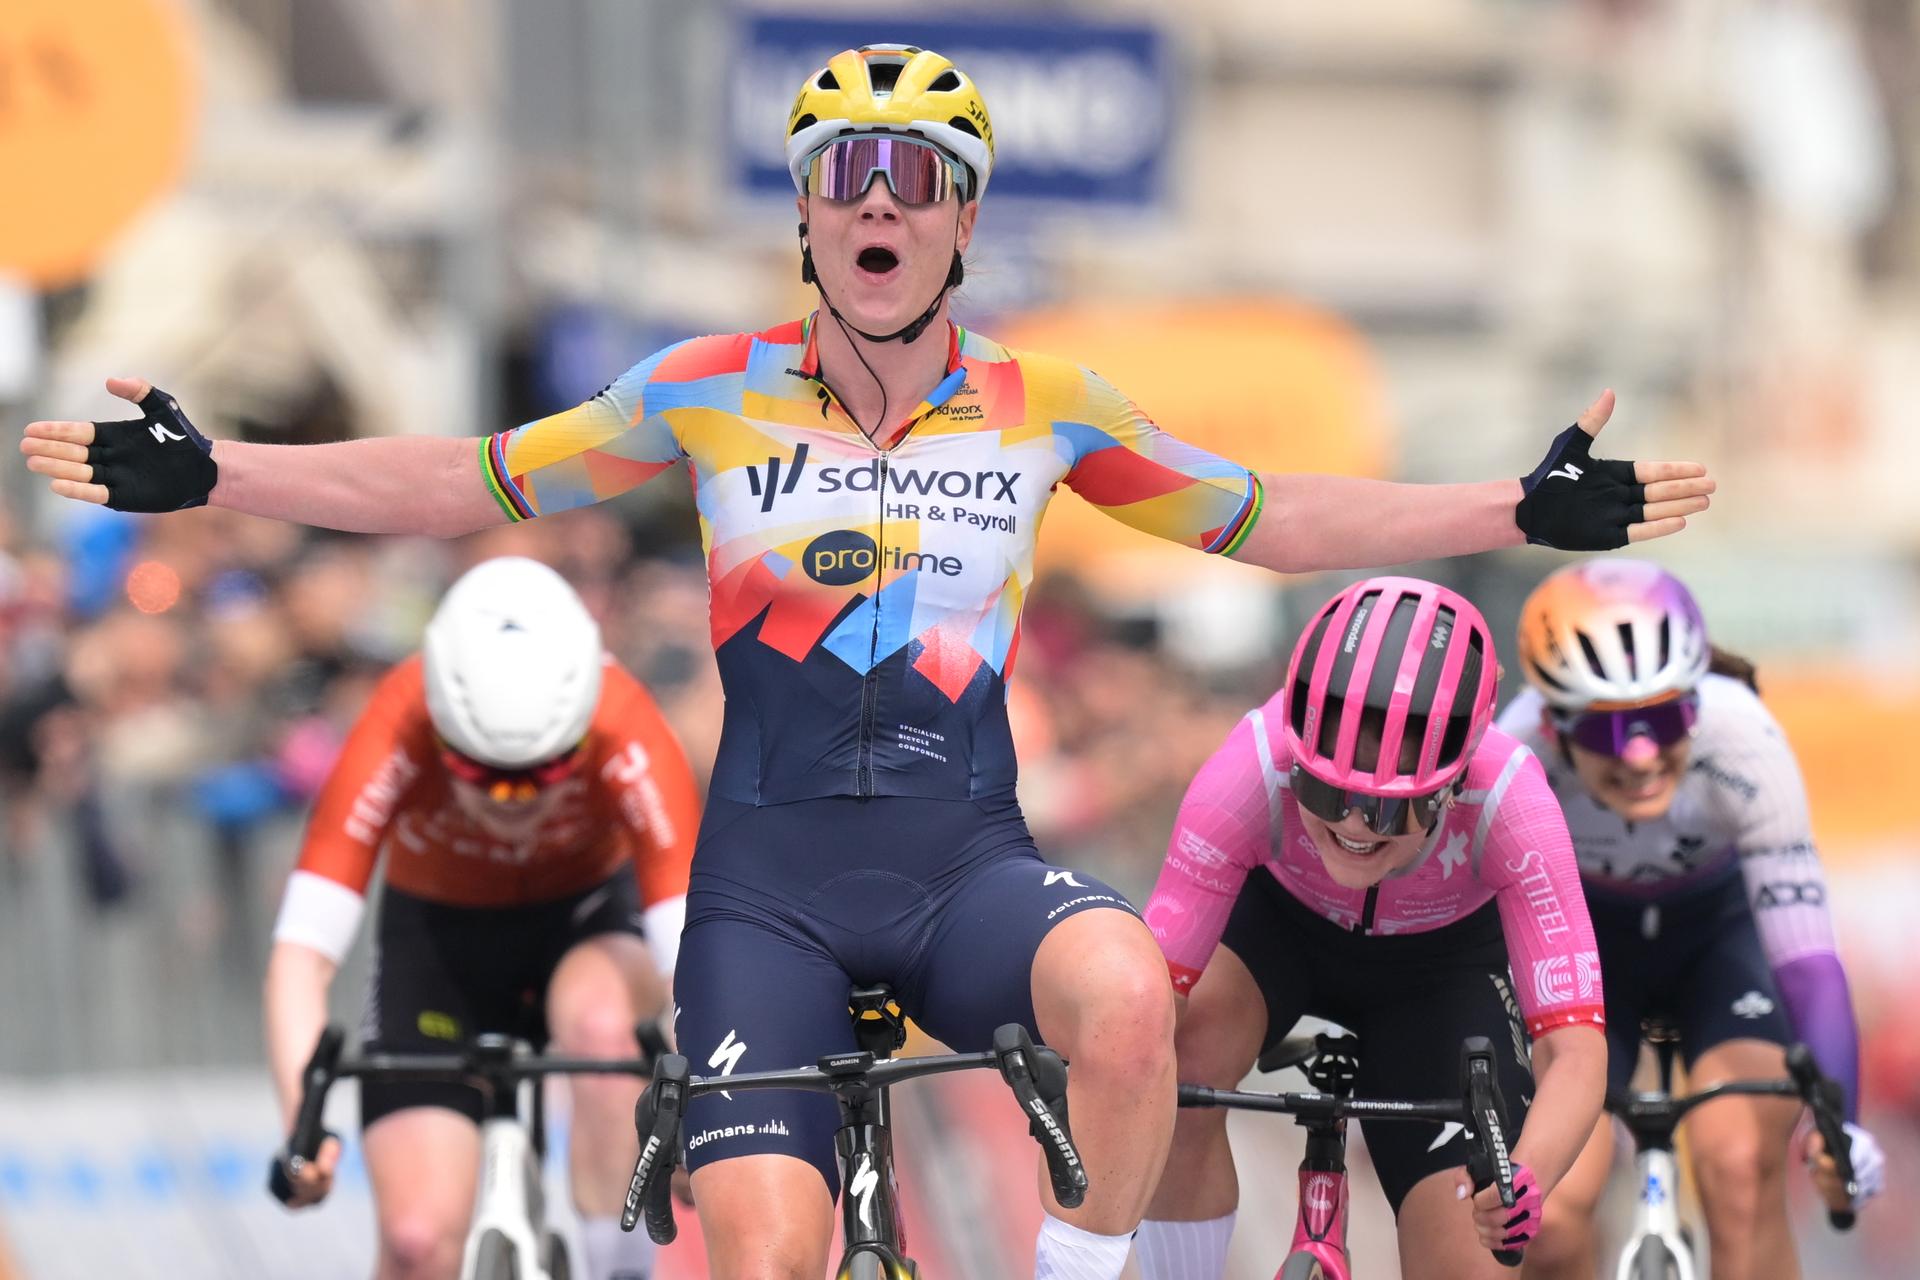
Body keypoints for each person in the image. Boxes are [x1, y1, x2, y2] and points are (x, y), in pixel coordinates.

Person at [20, 44, 1713, 1280]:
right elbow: (466, 479)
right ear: (812, 221)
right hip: (767, 902)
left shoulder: (1049, 406)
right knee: (761, 1262)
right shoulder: (701, 387)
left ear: (961, 222)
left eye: (920, 179)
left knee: (1132, 993)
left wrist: (1510, 501)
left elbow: (1264, 518)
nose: (881, 203)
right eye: (848, 175)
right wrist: (227, 474)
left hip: (966, 871)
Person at [1135, 577, 1608, 1279]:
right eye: (1326, 791)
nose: (1353, 827)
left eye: (1391, 810)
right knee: (1175, 1075)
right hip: (1279, 935)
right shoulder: (1254, 765)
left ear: (1456, 782)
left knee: (1471, 1249)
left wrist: (1524, 1180)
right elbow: (1148, 1007)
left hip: (1442, 974)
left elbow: (1575, 1052)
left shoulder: (1512, 800)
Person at [263, 556, 700, 1280]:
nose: (512, 801)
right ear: (441, 729)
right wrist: (301, 1133)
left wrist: (701, 1119)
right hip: (438, 946)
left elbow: (690, 958)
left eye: (546, 772)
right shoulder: (397, 718)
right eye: (482, 774)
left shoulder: (626, 722)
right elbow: (300, 956)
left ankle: (620, 1266)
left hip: (587, 926)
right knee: (415, 1242)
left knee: (600, 1026)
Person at [1500, 559, 1882, 1280]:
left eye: (1664, 717)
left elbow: (1806, 959)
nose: (1641, 754)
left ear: (1697, 705)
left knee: (1739, 1168)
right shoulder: (1517, 756)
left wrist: (1844, 1127)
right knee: (1548, 1210)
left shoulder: (1745, 738)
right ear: (1554, 722)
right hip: (1588, 945)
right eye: (1609, 732)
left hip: (1718, 938)